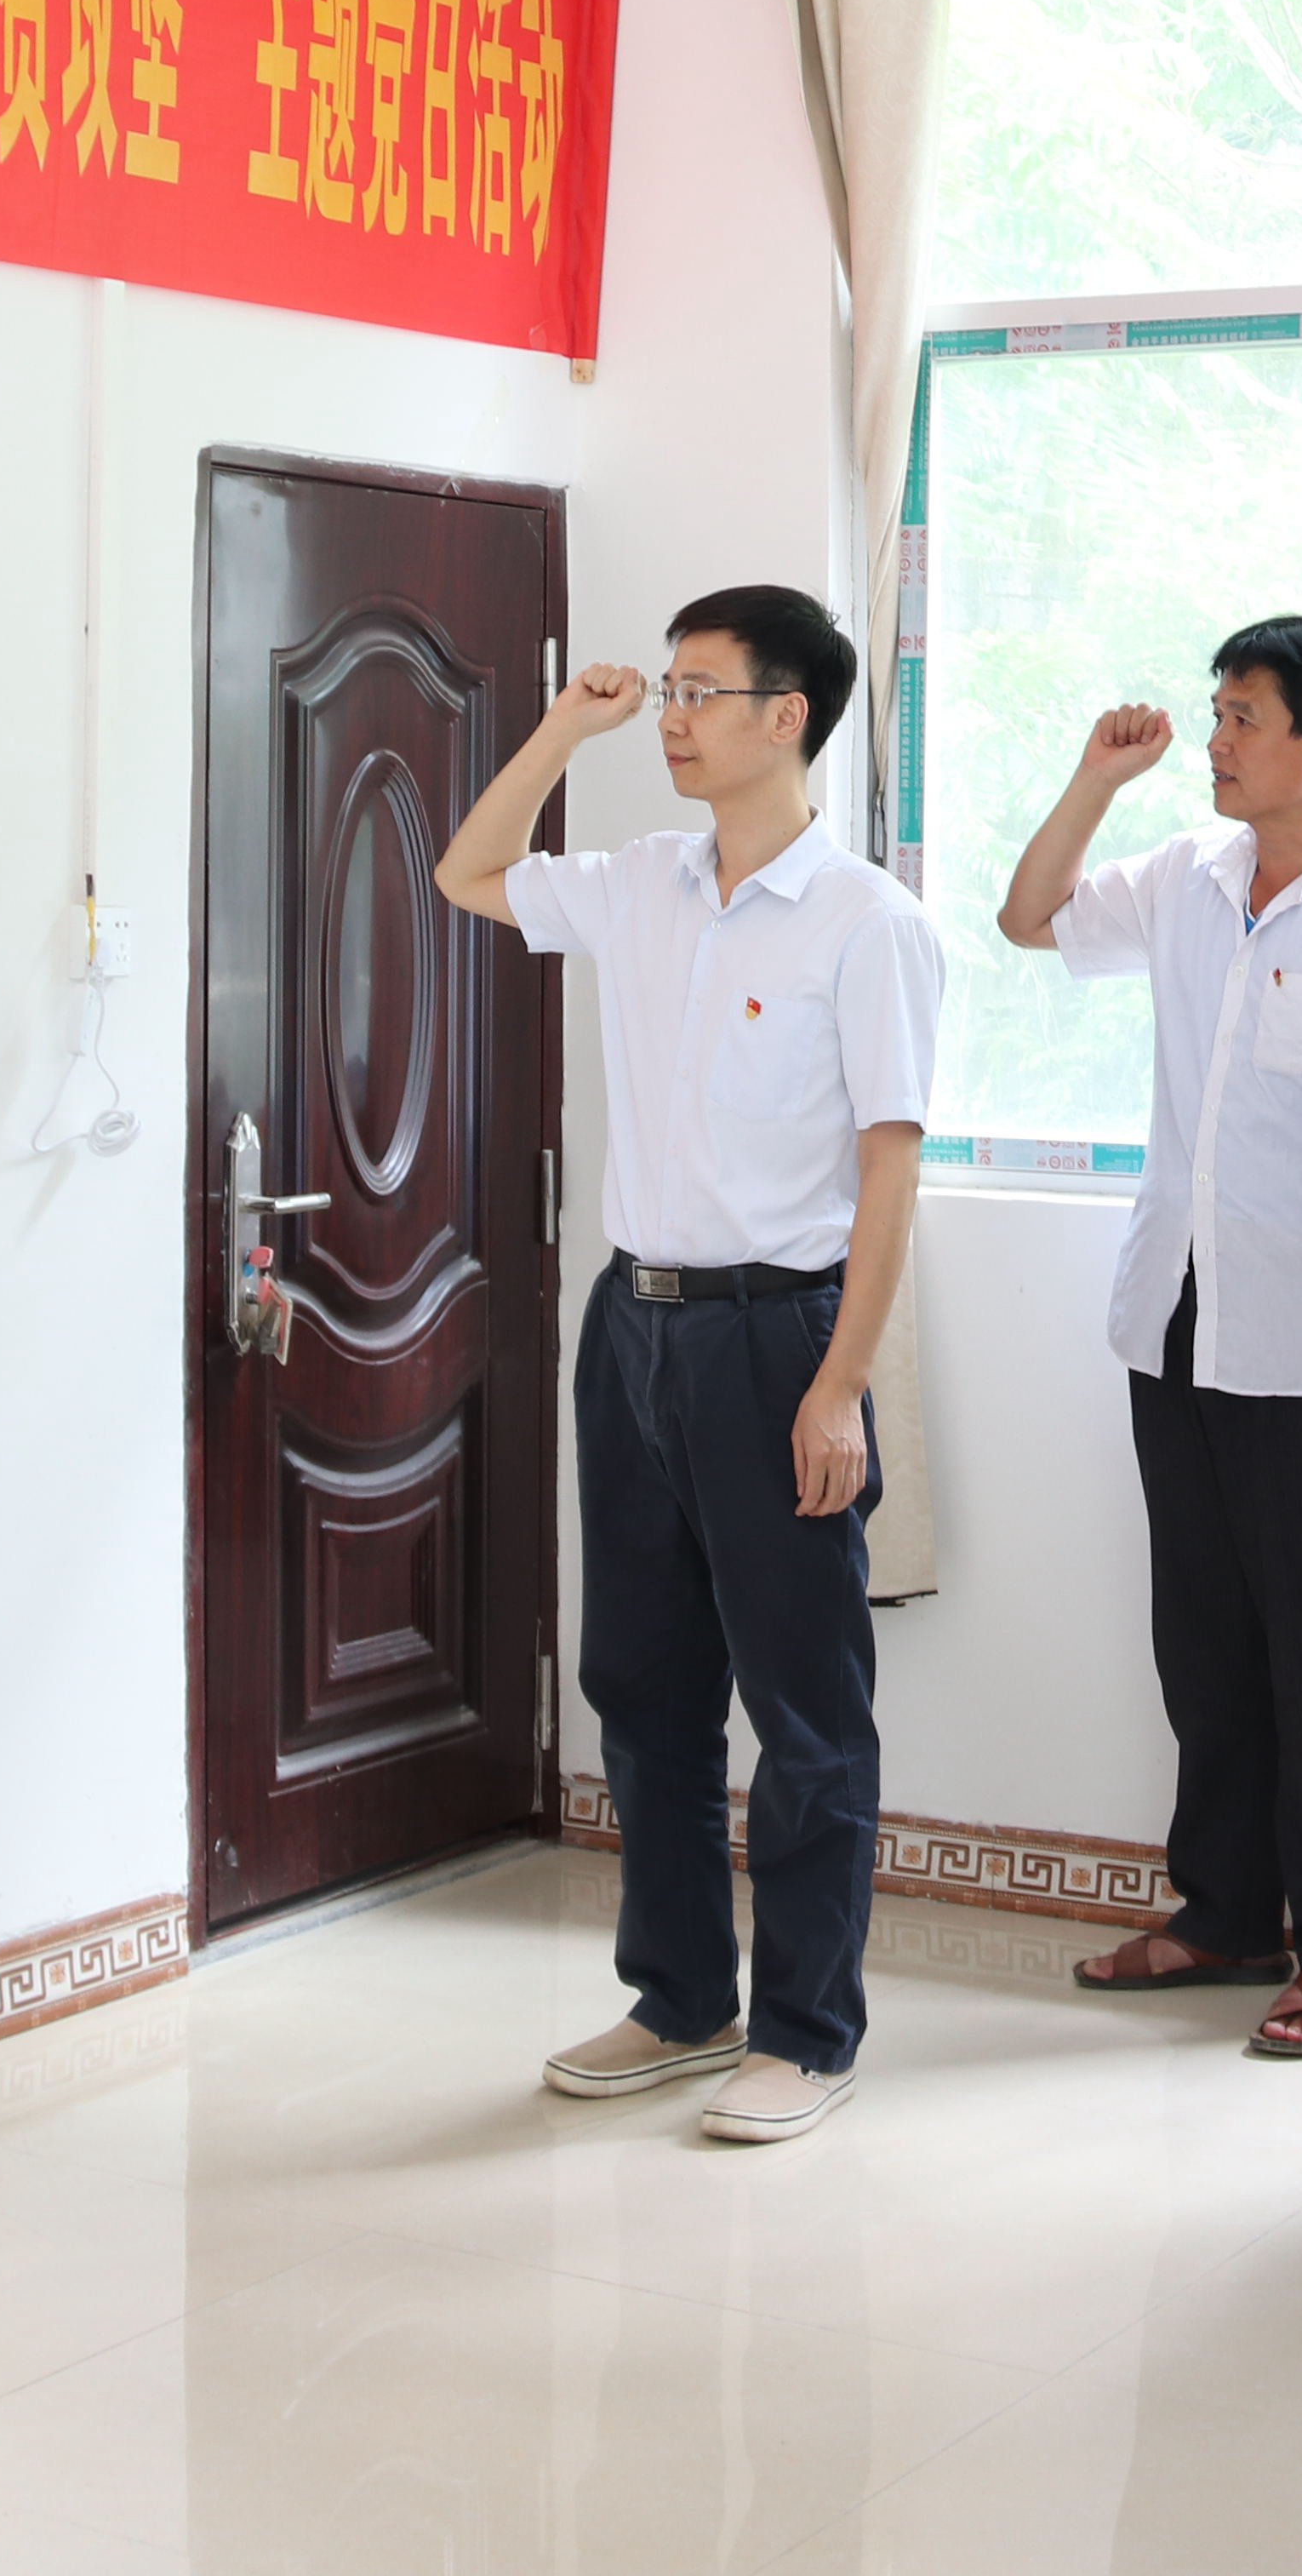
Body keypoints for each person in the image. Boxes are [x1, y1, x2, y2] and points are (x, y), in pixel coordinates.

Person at [440, 586, 937, 2149]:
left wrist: (841, 1384)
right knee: (642, 1688)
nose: (670, 714)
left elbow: (891, 1168)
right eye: (664, 687)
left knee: (805, 1706)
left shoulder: (865, 921)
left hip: (777, 1335)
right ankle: (678, 2001)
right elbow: (468, 871)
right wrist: (561, 730)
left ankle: (806, 2033)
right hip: (634, 1327)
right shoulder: (643, 882)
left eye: (699, 691)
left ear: (788, 717)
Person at [999, 616, 1302, 2063]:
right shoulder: (1186, 876)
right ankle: (1226, 1914)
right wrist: (1098, 779)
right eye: (1215, 713)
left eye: (1243, 717)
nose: (1215, 740)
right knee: (1204, 1644)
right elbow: (1028, 917)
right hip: (1176, 1318)